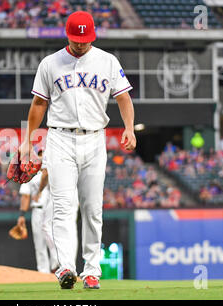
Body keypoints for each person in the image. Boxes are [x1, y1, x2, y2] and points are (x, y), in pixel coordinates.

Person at [18, 11, 136, 289]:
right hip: (59, 138)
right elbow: (38, 105)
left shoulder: (107, 61)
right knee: (63, 206)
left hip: (95, 139)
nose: (81, 43)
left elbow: (124, 98)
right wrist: (27, 140)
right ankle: (66, 268)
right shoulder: (50, 63)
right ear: (67, 35)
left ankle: (92, 270)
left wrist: (129, 128)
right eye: (76, 38)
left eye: (85, 38)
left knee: (93, 208)